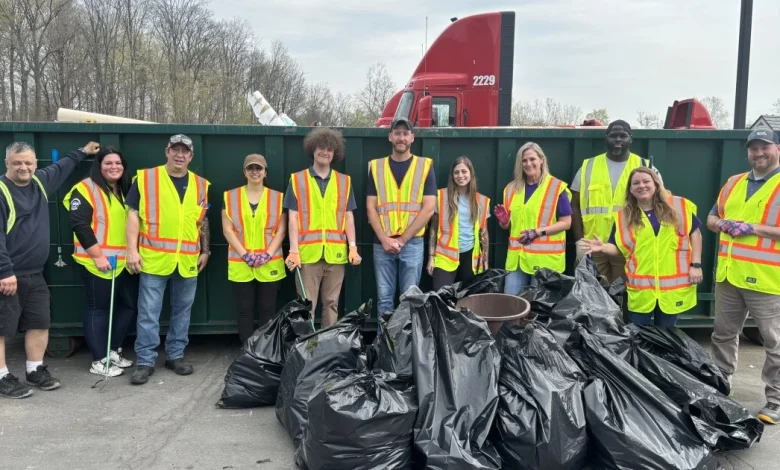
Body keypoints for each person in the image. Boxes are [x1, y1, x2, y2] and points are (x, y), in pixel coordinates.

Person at [0, 141, 98, 399]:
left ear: (35, 164)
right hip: (8, 274)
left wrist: (83, 151)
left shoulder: (40, 182)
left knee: (39, 322)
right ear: (7, 163)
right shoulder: (1, 191)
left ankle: (35, 371)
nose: (24, 167)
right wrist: (4, 271)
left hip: (35, 272)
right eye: (17, 162)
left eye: (28, 162)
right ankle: (2, 377)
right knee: (2, 328)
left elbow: (62, 167)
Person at [706, 128, 780, 425]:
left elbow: (761, 229)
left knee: (774, 343)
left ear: (777, 148)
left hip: (767, 278)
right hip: (730, 274)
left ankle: (775, 400)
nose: (758, 153)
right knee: (723, 335)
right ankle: (721, 386)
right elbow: (712, 218)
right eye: (753, 148)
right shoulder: (734, 182)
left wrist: (753, 228)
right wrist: (723, 224)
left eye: (764, 147)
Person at [125, 134, 211, 385]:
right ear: (167, 151)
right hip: (153, 258)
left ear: (191, 156)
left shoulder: (200, 184)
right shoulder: (146, 179)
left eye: (185, 151)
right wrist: (132, 250)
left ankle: (175, 355)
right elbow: (132, 216)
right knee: (148, 312)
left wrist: (205, 250)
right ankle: (145, 361)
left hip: (187, 260)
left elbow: (202, 220)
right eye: (175, 149)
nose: (180, 155)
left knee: (182, 312)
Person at [581, 167, 703, 327]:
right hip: (642, 290)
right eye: (636, 183)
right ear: (630, 189)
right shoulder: (623, 216)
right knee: (637, 337)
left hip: (671, 290)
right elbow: (618, 248)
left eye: (646, 181)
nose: (641, 186)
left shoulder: (678, 206)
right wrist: (603, 248)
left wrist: (696, 265)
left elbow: (695, 234)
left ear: (656, 184)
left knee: (666, 338)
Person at [64, 147, 138, 377]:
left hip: (123, 261)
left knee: (128, 307)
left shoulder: (123, 190)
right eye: (108, 163)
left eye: (118, 163)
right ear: (98, 165)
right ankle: (99, 359)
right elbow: (79, 224)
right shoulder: (85, 188)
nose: (114, 167)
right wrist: (97, 256)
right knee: (99, 309)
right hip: (97, 262)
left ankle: (113, 349)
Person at [284, 128, 360, 328]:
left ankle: (326, 348)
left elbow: (348, 217)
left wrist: (352, 246)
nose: (325, 152)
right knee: (306, 306)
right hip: (307, 255)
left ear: (335, 153)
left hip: (335, 256)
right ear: (313, 149)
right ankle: (306, 349)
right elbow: (292, 218)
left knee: (332, 304)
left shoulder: (345, 182)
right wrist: (293, 250)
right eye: (321, 148)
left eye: (330, 149)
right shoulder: (297, 179)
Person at [570, 120, 661, 284]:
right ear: (606, 138)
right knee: (593, 297)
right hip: (593, 246)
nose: (618, 140)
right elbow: (574, 206)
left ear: (630, 139)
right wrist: (579, 242)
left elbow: (659, 205)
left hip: (628, 247)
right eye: (613, 136)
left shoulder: (645, 167)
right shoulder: (588, 166)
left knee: (625, 295)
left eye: (623, 136)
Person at [366, 118, 436, 317]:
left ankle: (407, 346)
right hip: (382, 244)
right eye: (397, 133)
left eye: (406, 133)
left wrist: (402, 239)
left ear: (412, 138)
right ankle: (384, 346)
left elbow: (429, 208)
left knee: (410, 300)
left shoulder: (424, 166)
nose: (401, 137)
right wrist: (384, 239)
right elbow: (370, 208)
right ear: (390, 137)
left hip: (412, 244)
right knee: (384, 300)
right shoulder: (376, 167)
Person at [222, 154, 287, 343]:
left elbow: (281, 231)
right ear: (244, 172)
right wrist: (245, 255)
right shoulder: (230, 196)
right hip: (241, 263)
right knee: (244, 310)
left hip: (270, 263)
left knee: (268, 310)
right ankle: (247, 353)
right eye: (250, 168)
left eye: (259, 168)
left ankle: (265, 352)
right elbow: (227, 230)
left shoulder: (277, 197)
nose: (255, 172)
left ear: (265, 172)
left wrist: (267, 254)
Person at [493, 142, 572, 295]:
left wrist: (537, 232)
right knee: (512, 304)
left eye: (532, 159)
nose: (528, 164)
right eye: (524, 161)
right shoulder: (511, 189)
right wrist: (504, 222)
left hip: (544, 263)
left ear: (541, 160)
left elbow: (566, 223)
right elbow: (509, 227)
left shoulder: (555, 187)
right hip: (517, 259)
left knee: (539, 310)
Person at [427, 157, 490, 290]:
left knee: (468, 301)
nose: (460, 176)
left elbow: (483, 232)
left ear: (470, 174)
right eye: (456, 172)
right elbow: (433, 228)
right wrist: (431, 257)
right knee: (441, 298)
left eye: (464, 171)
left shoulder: (482, 201)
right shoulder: (441, 197)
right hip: (445, 256)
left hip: (471, 257)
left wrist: (485, 260)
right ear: (452, 175)